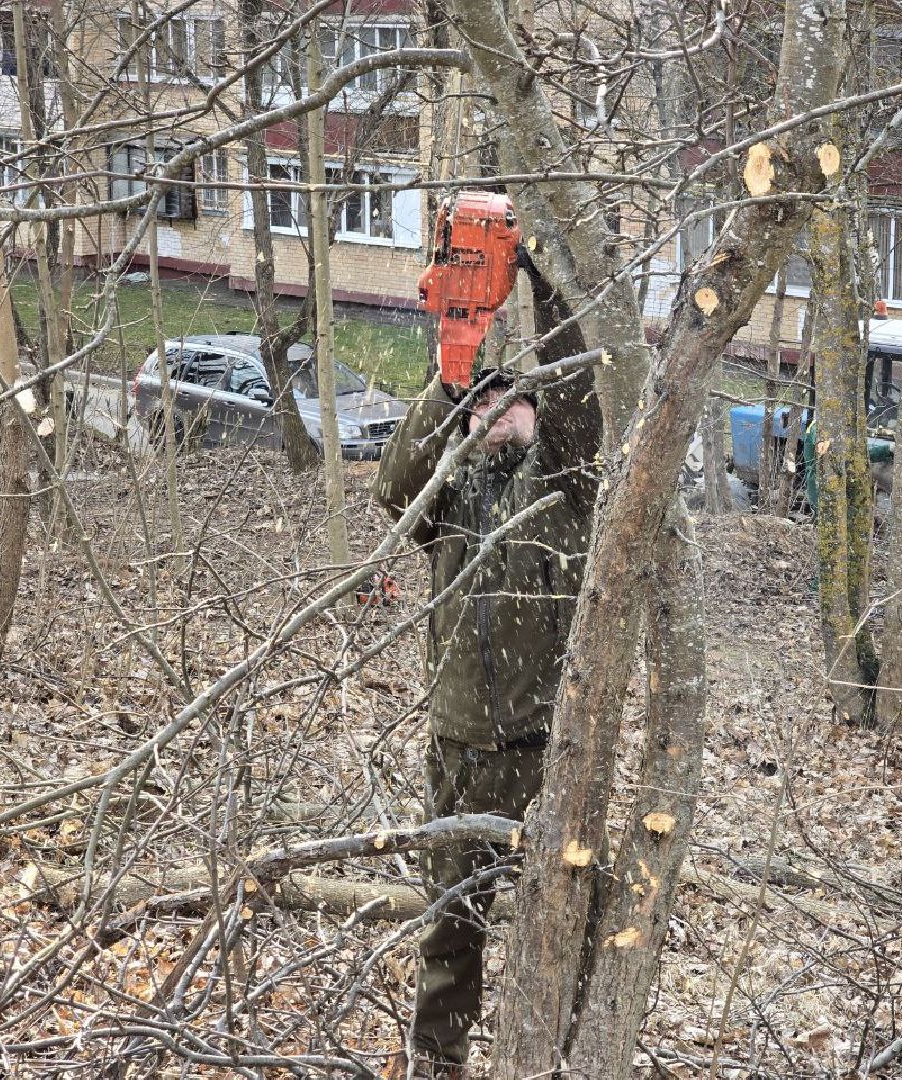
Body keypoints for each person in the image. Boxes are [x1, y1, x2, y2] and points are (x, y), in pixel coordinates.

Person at [373, 271, 601, 1078]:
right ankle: (438, 1059)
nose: (496, 410)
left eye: (513, 399)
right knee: (451, 922)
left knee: (565, 917)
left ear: (537, 413)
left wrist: (545, 283)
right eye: (483, 400)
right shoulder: (448, 496)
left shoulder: (565, 489)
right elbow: (392, 488)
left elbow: (578, 404)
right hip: (458, 746)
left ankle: (560, 1054)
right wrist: (449, 381)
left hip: (545, 752)